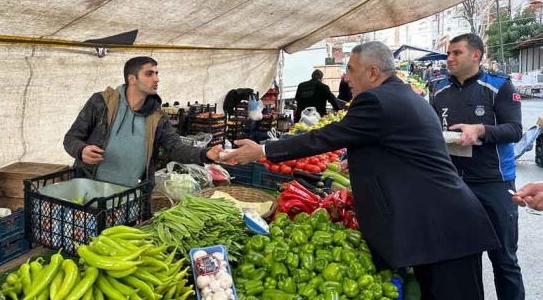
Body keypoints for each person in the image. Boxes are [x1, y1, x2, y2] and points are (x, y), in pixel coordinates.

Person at [224, 41, 499, 300]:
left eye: (351, 71)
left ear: (373, 72)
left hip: (442, 229)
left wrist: (264, 150)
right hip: (439, 226)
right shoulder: (402, 95)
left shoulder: (377, 100)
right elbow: (403, 149)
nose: (346, 79)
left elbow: (325, 136)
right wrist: (365, 158)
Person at [432, 33, 524, 300]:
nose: (449, 58)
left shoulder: (499, 86)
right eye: (448, 53)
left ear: (476, 55)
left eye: (456, 53)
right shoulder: (438, 89)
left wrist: (480, 130)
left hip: (495, 183)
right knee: (464, 261)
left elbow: (515, 130)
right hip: (456, 185)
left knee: (504, 260)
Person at [63, 56, 221, 186]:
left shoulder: (158, 118)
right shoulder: (101, 102)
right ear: (132, 79)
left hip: (130, 194)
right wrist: (81, 150)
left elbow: (175, 149)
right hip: (89, 185)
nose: (156, 79)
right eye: (149, 74)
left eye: (157, 74)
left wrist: (206, 154)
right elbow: (71, 138)